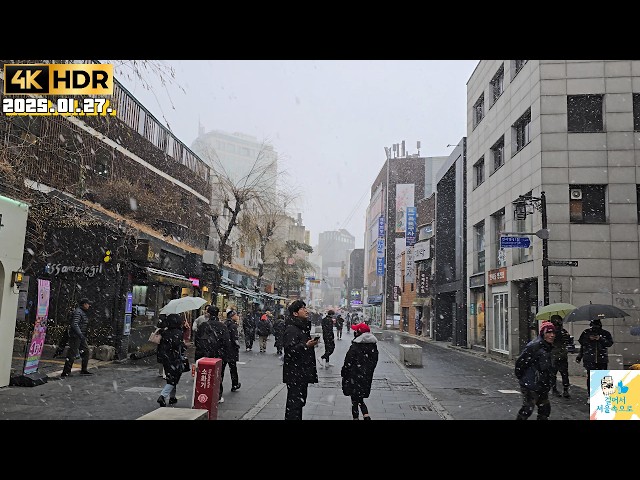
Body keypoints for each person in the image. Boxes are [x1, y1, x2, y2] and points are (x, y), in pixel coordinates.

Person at [283, 299, 319, 420]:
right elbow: (289, 350)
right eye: (302, 308)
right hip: (296, 374)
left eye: (305, 308)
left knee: (299, 404)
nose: (306, 310)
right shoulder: (292, 329)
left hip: (301, 372)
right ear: (295, 313)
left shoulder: (301, 327)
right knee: (294, 405)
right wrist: (306, 346)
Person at [514, 321, 555, 420]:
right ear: (542, 333)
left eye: (553, 333)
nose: (552, 335)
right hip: (531, 385)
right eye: (548, 333)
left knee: (545, 409)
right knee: (528, 408)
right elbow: (520, 363)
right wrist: (525, 380)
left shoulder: (548, 347)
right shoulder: (534, 346)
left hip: (542, 385)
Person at [341, 322, 378, 420]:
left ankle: (356, 417)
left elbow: (348, 361)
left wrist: (344, 372)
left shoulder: (356, 346)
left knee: (354, 398)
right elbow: (374, 361)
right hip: (366, 376)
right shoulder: (373, 346)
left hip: (353, 375)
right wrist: (367, 371)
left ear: (359, 332)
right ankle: (366, 415)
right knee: (359, 396)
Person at [195, 305, 231, 403]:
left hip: (205, 355)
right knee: (218, 375)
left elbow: (197, 341)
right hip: (219, 355)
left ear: (208, 313)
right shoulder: (222, 326)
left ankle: (203, 394)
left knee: (205, 374)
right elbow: (227, 342)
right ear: (218, 313)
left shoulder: (203, 325)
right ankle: (218, 395)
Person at [577, 318, 614, 400]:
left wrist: (600, 339)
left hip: (602, 359)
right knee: (591, 377)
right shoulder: (586, 333)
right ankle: (591, 395)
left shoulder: (605, 333)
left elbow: (609, 343)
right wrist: (589, 339)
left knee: (603, 377)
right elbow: (582, 343)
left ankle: (604, 394)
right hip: (589, 359)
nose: (595, 327)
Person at [156, 313, 187, 407]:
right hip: (174, 359)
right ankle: (162, 396)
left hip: (165, 358)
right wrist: (184, 345)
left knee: (171, 377)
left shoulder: (165, 332)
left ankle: (172, 397)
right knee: (174, 379)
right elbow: (177, 345)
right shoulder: (178, 333)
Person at [60, 298, 93, 378]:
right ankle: (66, 372)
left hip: (80, 336)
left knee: (86, 351)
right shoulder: (78, 312)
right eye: (88, 304)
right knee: (72, 353)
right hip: (76, 336)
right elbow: (75, 324)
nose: (89, 305)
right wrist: (80, 334)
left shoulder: (82, 312)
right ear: (84, 304)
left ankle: (84, 369)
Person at [548, 314, 572, 398]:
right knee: (562, 373)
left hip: (557, 355)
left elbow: (567, 341)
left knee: (556, 373)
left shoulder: (555, 332)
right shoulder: (560, 331)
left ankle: (558, 389)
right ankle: (563, 390)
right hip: (559, 355)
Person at [223, 310, 242, 393]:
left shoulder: (224, 324)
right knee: (233, 368)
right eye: (236, 315)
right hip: (231, 350)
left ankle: (218, 384)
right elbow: (235, 338)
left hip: (223, 350)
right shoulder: (233, 326)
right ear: (232, 316)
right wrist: (237, 345)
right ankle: (235, 384)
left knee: (221, 369)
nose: (237, 316)